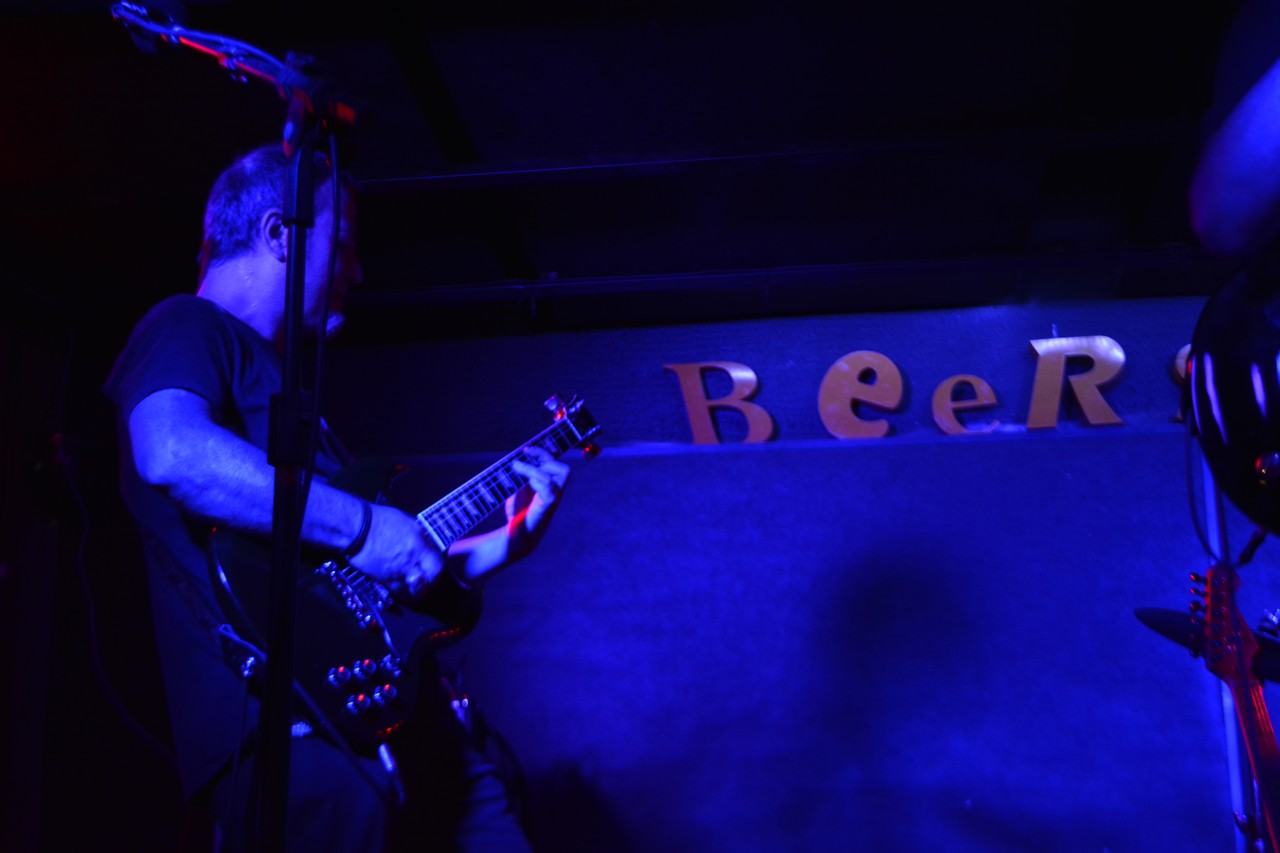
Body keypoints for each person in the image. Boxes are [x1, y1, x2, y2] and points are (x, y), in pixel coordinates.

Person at [104, 143, 570, 851]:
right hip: (289, 732)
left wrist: (505, 542)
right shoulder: (185, 325)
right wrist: (363, 526)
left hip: (398, 718)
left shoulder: (291, 396)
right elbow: (172, 451)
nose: (358, 270)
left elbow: (365, 582)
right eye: (344, 244)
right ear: (278, 234)